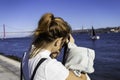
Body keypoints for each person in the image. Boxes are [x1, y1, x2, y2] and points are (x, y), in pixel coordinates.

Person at [28, 13, 87, 80]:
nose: (62, 46)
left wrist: (52, 54)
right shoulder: (50, 66)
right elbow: (83, 78)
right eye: (62, 43)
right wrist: (73, 48)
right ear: (58, 42)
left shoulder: (29, 53)